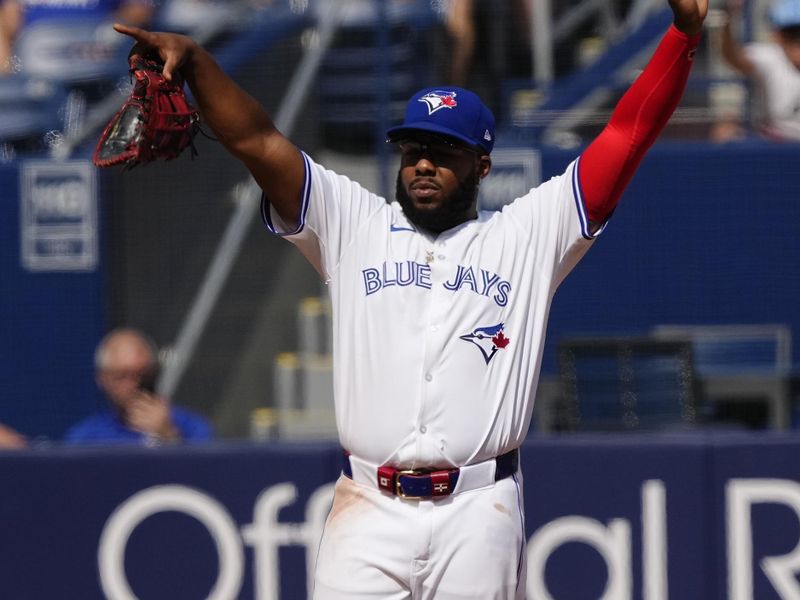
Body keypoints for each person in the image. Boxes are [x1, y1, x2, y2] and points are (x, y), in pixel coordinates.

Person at [112, 0, 707, 596]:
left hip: (479, 510)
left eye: (443, 152)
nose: (423, 164)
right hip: (367, 506)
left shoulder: (526, 235)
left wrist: (681, 36)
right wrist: (196, 64)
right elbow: (259, 142)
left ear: (481, 163)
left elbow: (625, 136)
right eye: (413, 149)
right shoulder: (354, 224)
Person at [64, 327, 213, 445]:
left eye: (141, 374)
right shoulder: (85, 439)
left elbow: (206, 476)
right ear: (102, 379)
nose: (133, 384)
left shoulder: (191, 427)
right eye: (121, 376)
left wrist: (169, 437)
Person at [718, 0, 800, 141]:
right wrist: (727, 19)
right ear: (778, 36)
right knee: (725, 134)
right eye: (792, 34)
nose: (798, 41)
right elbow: (733, 58)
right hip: (775, 146)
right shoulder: (769, 57)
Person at [0, 0, 154, 75]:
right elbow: (8, 24)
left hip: (100, 65)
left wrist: (108, 31)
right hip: (37, 74)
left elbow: (139, 10)